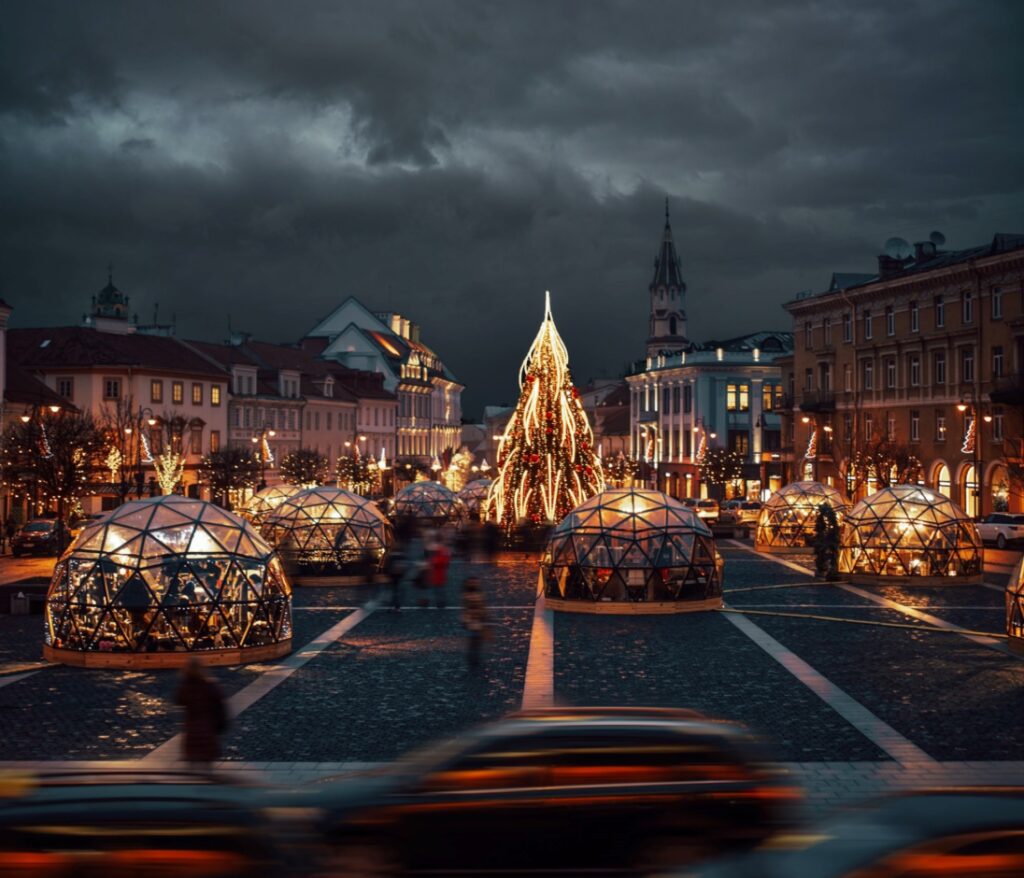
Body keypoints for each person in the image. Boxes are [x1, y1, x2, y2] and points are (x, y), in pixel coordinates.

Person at [175, 658, 227, 770]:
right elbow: (220, 706)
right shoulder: (210, 686)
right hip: (207, 730)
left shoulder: (185, 688)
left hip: (192, 731)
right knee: (207, 765)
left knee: (193, 765)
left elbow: (178, 700)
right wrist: (221, 725)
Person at [460, 576, 488, 668]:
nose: (475, 584)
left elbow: (482, 608)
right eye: (473, 582)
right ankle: (473, 659)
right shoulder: (469, 595)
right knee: (474, 642)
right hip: (472, 622)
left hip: (477, 622)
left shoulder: (476, 594)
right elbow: (466, 609)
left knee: (476, 642)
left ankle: (473, 659)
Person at [426, 537, 451, 609]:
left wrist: (432, 562)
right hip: (438, 574)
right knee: (439, 590)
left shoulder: (440, 551)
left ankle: (441, 602)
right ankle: (440, 602)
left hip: (439, 574)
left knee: (439, 590)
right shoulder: (443, 550)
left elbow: (441, 562)